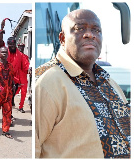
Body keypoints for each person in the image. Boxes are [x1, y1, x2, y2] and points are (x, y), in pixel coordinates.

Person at [35, 9, 130, 158]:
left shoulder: (110, 82)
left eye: (96, 30)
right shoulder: (47, 82)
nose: (90, 34)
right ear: (62, 38)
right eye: (79, 28)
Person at [0, 20, 29, 114]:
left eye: (13, 44)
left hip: (16, 80)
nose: (12, 46)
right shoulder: (4, 52)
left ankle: (10, 114)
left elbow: (25, 65)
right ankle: (7, 115)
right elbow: (0, 42)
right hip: (5, 78)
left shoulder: (20, 55)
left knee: (10, 97)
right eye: (10, 45)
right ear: (8, 45)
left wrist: (29, 70)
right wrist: (1, 30)